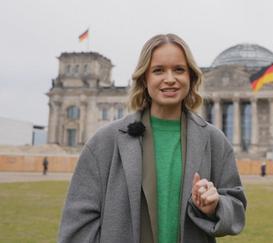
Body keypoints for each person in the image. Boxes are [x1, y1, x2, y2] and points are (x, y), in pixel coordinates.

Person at [58, 34, 247, 243]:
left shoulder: (214, 140)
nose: (169, 79)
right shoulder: (104, 142)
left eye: (179, 70)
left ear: (191, 77)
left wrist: (216, 206)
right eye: (158, 70)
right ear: (144, 78)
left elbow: (236, 207)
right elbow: (77, 226)